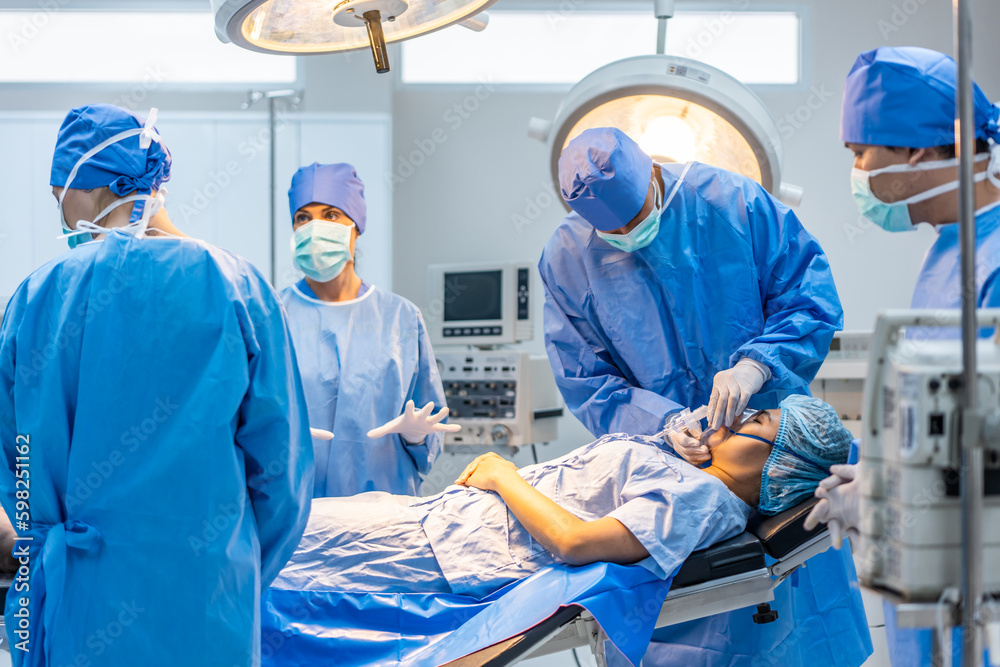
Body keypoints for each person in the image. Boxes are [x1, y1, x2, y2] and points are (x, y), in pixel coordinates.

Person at [538, 127, 870, 665]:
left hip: (765, 489)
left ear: (652, 172)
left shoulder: (733, 204)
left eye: (635, 215)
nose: (627, 232)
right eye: (612, 229)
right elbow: (589, 383)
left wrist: (757, 367)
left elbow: (810, 301)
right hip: (659, 458)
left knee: (795, 635)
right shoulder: (568, 257)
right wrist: (666, 423)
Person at [0, 104, 314, 666]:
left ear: (93, 185)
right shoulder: (238, 289)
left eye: (59, 193)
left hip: (77, 605)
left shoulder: (37, 298)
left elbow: (15, 464)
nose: (61, 209)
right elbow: (283, 476)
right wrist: (224, 566)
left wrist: (43, 550)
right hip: (206, 609)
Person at [805, 45, 1000, 666]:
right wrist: (882, 479)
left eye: (861, 153)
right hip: (930, 562)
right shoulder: (952, 248)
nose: (858, 172)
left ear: (916, 151)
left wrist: (894, 495)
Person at [272, 395, 849, 602]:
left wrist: (503, 476)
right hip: (441, 525)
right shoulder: (696, 473)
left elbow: (575, 542)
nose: (737, 417)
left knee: (264, 551)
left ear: (779, 469)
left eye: (758, 422)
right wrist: (666, 439)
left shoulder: (703, 503)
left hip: (447, 550)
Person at [281, 163, 457, 498]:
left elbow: (429, 416)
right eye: (303, 218)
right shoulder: (271, 315)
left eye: (331, 214)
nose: (314, 227)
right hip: (296, 514)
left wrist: (418, 436)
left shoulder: (401, 317)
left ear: (356, 228)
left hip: (384, 515)